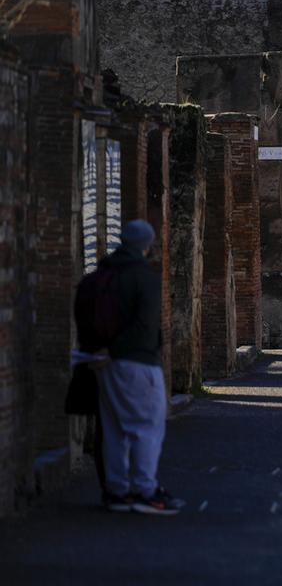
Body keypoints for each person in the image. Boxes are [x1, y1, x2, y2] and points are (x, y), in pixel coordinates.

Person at [87, 219, 182, 515]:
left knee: (114, 429)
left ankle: (117, 491)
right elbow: (144, 325)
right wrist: (116, 350)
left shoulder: (103, 271)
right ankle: (145, 490)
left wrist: (101, 351)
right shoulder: (146, 277)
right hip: (137, 361)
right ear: (147, 245)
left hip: (103, 363)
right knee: (147, 427)